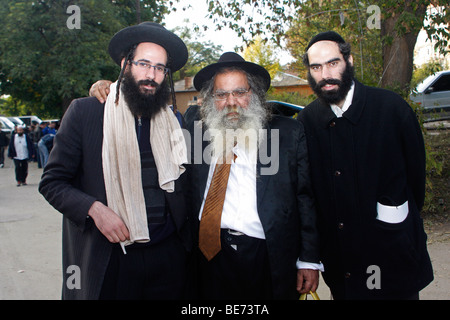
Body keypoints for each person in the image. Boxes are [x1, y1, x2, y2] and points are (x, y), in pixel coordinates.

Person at [39, 22, 193, 300]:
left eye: (160, 68)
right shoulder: (85, 113)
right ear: (125, 64)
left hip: (168, 257)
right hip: (111, 256)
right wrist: (95, 209)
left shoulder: (173, 121)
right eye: (143, 64)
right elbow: (52, 182)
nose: (151, 75)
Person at [297, 31, 433, 299]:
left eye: (333, 63)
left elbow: (415, 182)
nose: (325, 74)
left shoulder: (392, 109)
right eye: (316, 67)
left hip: (393, 253)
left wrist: (393, 215)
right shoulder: (306, 122)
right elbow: (308, 194)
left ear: (349, 60)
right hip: (342, 264)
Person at [188, 52, 322, 299]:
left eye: (240, 92)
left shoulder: (288, 134)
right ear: (210, 100)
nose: (231, 102)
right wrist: (109, 90)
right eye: (221, 94)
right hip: (209, 255)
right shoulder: (196, 133)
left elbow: (306, 198)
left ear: (255, 94)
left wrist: (309, 260)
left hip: (267, 255)